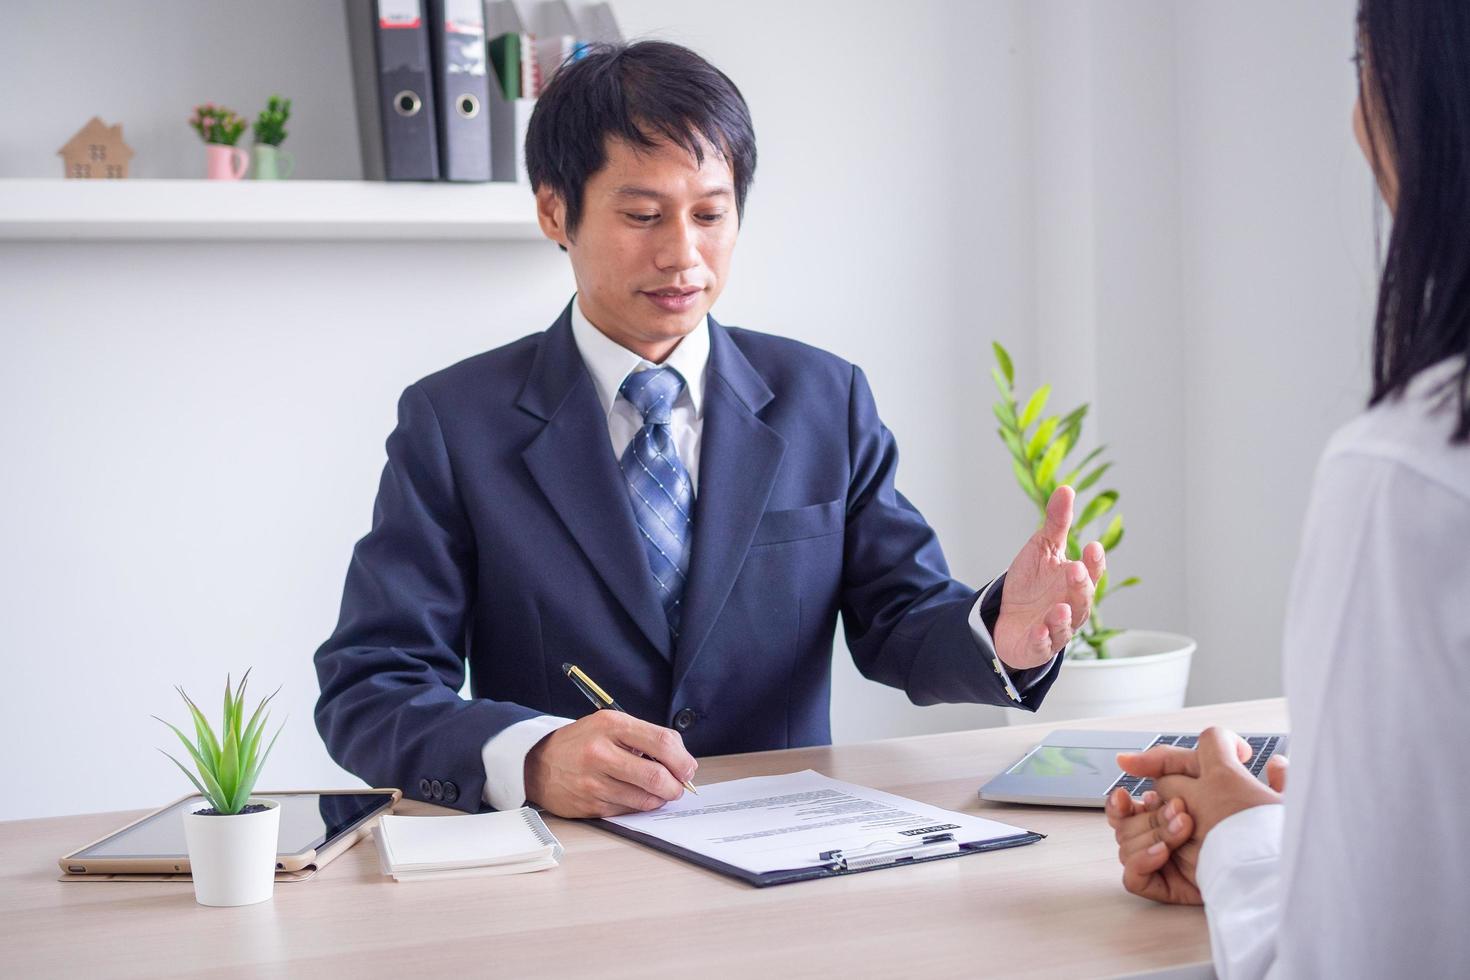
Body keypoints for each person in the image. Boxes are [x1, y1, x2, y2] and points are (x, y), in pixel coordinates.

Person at [314, 41, 1105, 820]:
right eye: (642, 215)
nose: (682, 255)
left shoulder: (825, 398)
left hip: (787, 855)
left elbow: (899, 614)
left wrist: (999, 633)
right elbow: (371, 685)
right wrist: (533, 756)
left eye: (709, 214)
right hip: (565, 867)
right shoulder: (456, 421)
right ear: (556, 210)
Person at [1105, 1, 1470, 975]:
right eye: (639, 211)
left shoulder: (1409, 477)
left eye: (1365, 65)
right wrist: (1302, 832)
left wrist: (1240, 840)